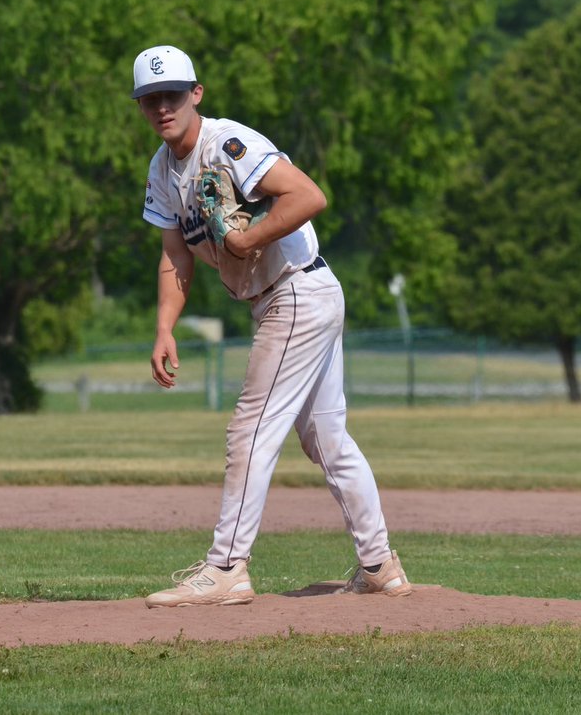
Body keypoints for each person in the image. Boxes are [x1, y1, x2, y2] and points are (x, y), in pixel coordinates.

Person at [131, 44, 412, 608]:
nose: (163, 107)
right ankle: (379, 565)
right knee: (326, 439)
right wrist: (165, 327)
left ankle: (227, 567)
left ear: (196, 94)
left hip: (295, 290)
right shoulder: (163, 169)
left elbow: (308, 195)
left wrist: (246, 238)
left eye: (173, 95)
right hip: (294, 295)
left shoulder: (227, 144)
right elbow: (174, 255)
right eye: (150, 98)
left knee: (250, 429)